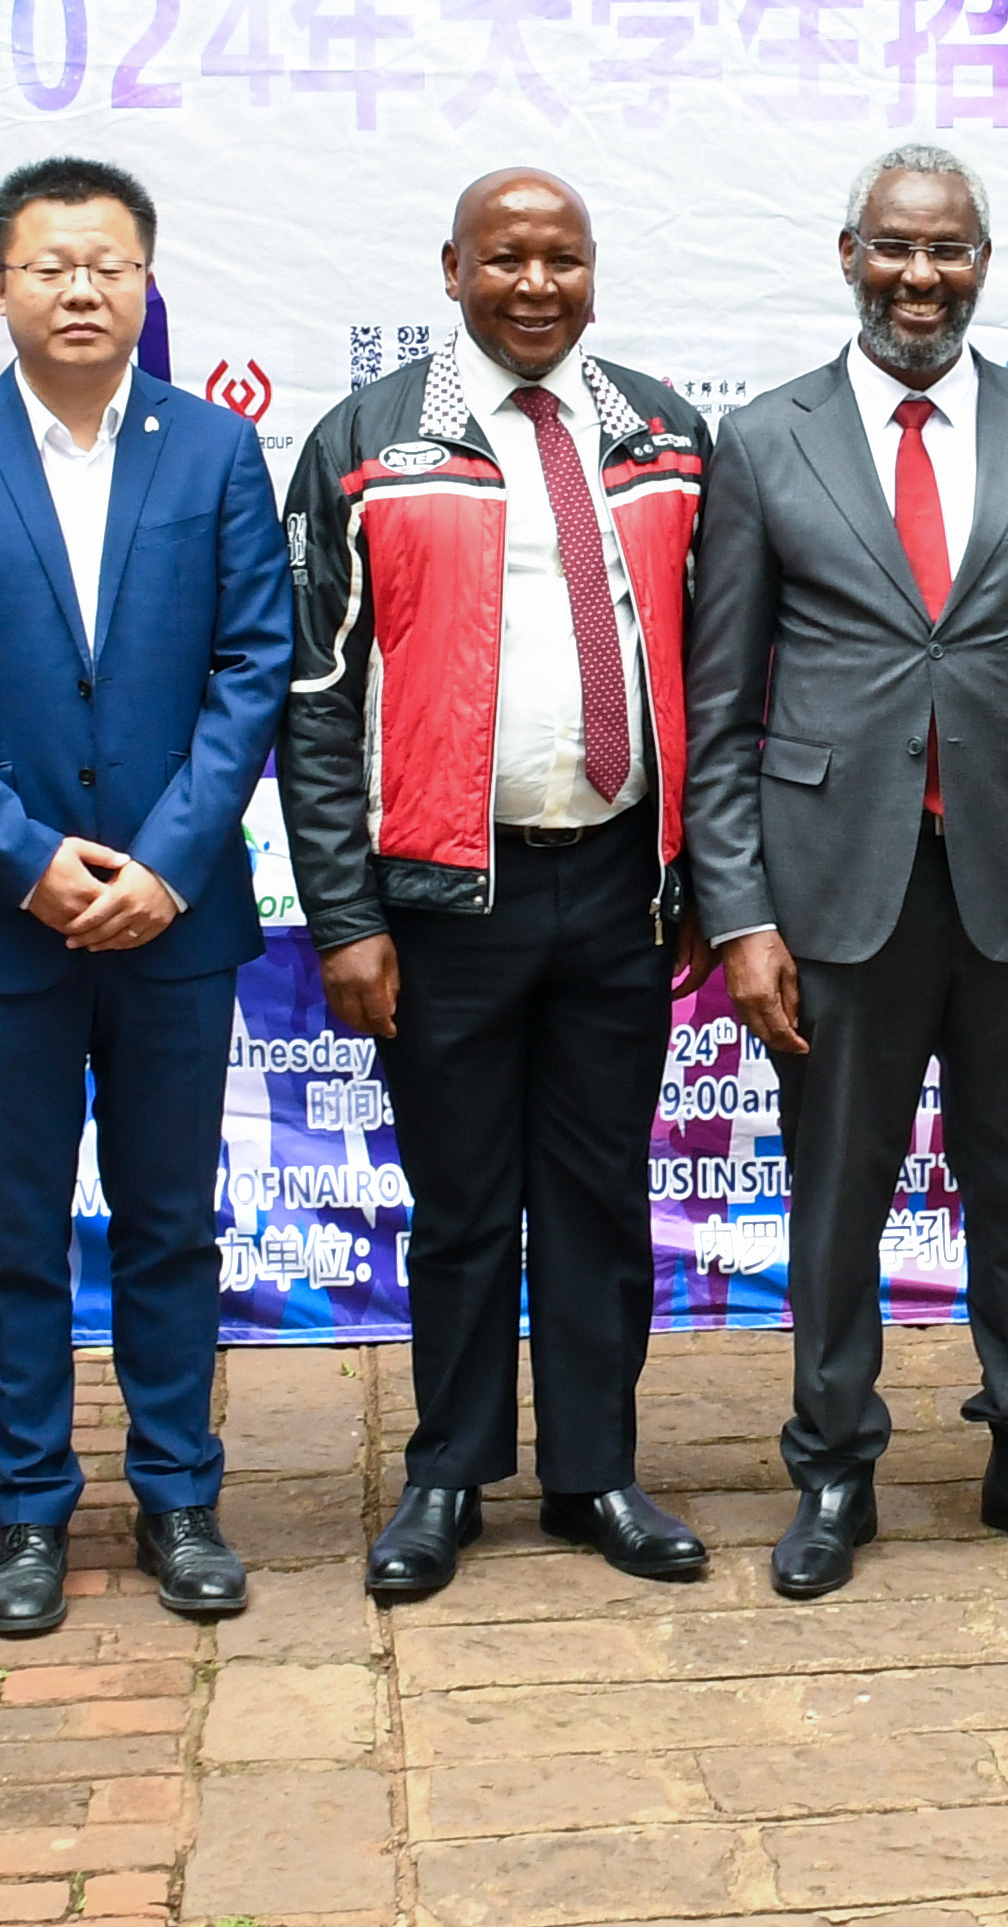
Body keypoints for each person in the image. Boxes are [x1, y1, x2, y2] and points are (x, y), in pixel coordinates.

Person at [683, 141, 1008, 1601]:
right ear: (848, 256)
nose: (920, 275)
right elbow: (719, 708)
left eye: (948, 249)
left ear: (983, 264)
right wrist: (741, 913)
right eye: (895, 247)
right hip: (836, 893)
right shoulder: (766, 440)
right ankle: (834, 1468)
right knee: (837, 1189)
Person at [0, 153, 297, 1638]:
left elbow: (252, 671)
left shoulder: (216, 456)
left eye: (110, 262)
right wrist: (32, 860)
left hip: (176, 923)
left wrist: (168, 863)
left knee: (173, 1221)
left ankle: (179, 1495)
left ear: (147, 281)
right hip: (4, 920)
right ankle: (28, 1508)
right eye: (51, 264)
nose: (83, 288)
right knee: (16, 1227)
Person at [279, 170, 721, 1603]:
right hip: (439, 904)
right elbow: (316, 695)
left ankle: (597, 1470)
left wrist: (709, 878)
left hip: (618, 886)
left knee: (598, 1196)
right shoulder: (368, 439)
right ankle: (449, 1476)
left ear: (596, 273)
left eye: (564, 261)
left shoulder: (662, 432)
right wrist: (345, 916)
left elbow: (718, 674)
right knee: (463, 1203)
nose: (537, 286)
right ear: (453, 267)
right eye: (507, 260)